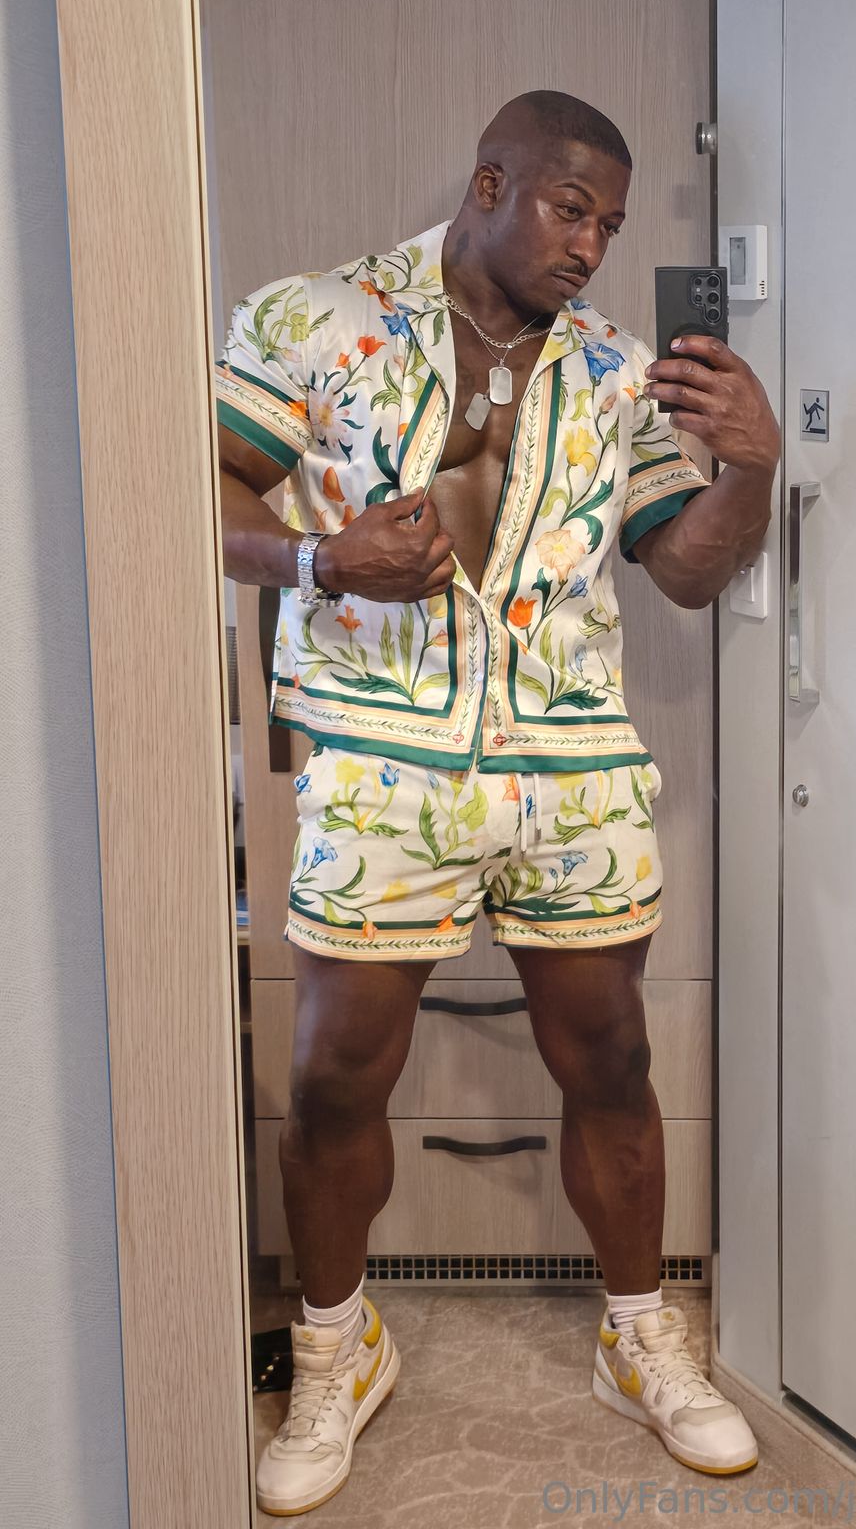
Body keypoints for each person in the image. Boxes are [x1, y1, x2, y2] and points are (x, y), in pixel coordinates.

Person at [216, 89, 780, 1516]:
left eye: (610, 224)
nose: (590, 244)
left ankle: (638, 1339)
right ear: (489, 182)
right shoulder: (313, 317)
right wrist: (319, 561)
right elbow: (188, 493)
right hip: (378, 752)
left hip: (571, 763)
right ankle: (336, 1350)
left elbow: (688, 570)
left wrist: (754, 468)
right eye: (568, 209)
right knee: (336, 1074)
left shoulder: (619, 370)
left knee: (614, 1059)